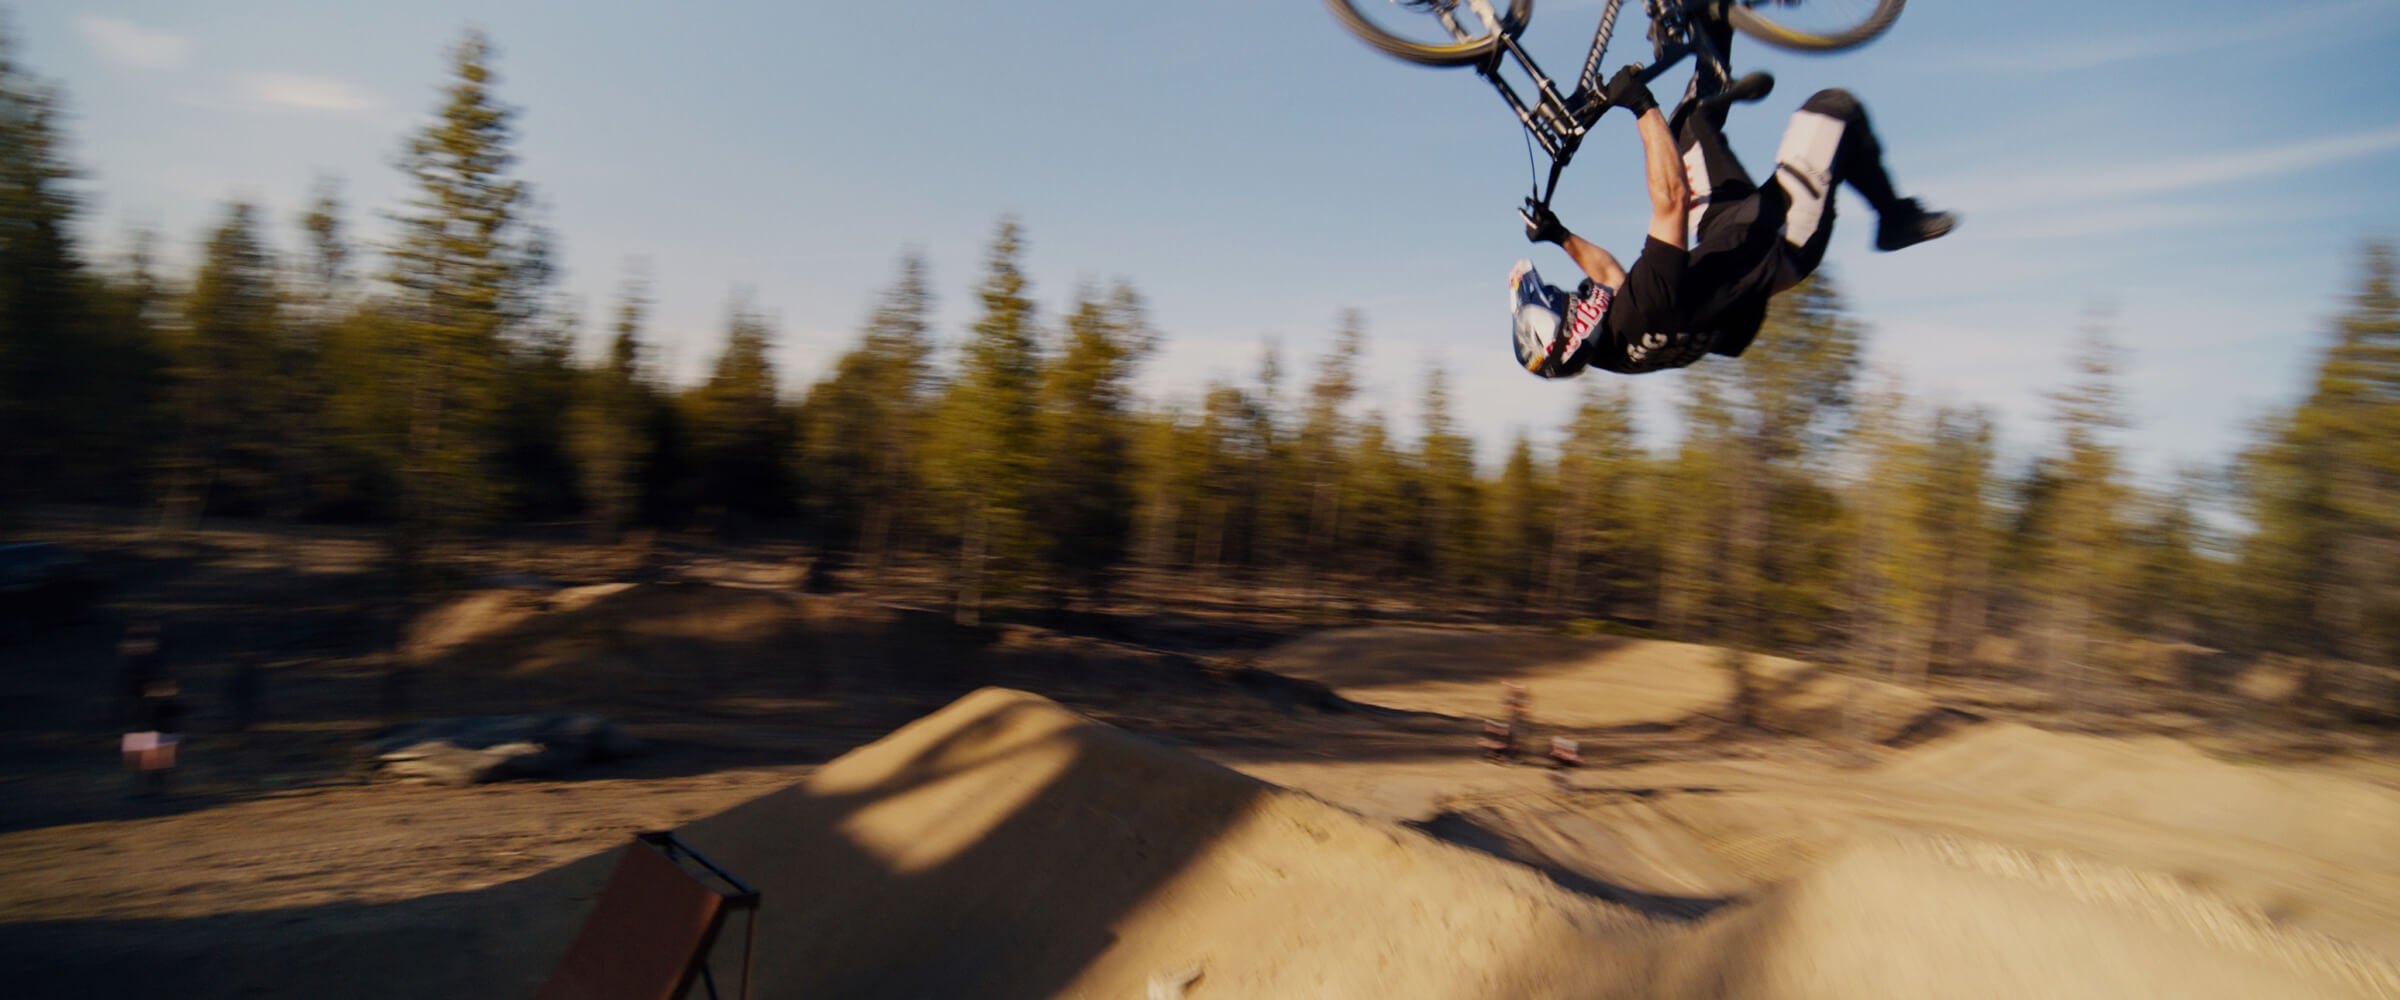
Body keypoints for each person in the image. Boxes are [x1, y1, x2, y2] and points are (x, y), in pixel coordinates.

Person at [1510, 64, 1953, 378]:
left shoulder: (1610, 349)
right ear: (1572, 327)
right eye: (1562, 299)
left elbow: (1609, 276)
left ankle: (1712, 19)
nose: (1571, 294)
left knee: (1686, 124)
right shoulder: (1647, 306)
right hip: (1782, 239)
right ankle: (1893, 219)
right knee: (1833, 110)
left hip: (1728, 235)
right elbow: (1671, 197)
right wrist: (1641, 103)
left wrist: (1560, 235)